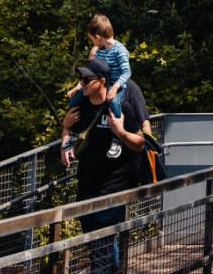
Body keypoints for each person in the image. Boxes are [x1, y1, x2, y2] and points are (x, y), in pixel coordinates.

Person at [60, 57, 145, 274]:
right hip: (86, 185)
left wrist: (120, 132)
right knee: (94, 245)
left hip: (112, 187)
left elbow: (140, 143)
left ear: (102, 81)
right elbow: (68, 136)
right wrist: (65, 130)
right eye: (81, 79)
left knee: (101, 248)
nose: (82, 83)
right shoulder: (80, 106)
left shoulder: (120, 106)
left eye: (87, 79)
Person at [66, 15, 132, 120]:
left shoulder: (120, 50)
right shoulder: (98, 51)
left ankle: (117, 129)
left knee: (114, 103)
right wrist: (78, 86)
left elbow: (127, 72)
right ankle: (74, 125)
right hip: (100, 84)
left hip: (115, 85)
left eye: (92, 39)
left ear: (98, 37)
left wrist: (115, 88)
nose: (92, 42)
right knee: (75, 99)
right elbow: (91, 72)